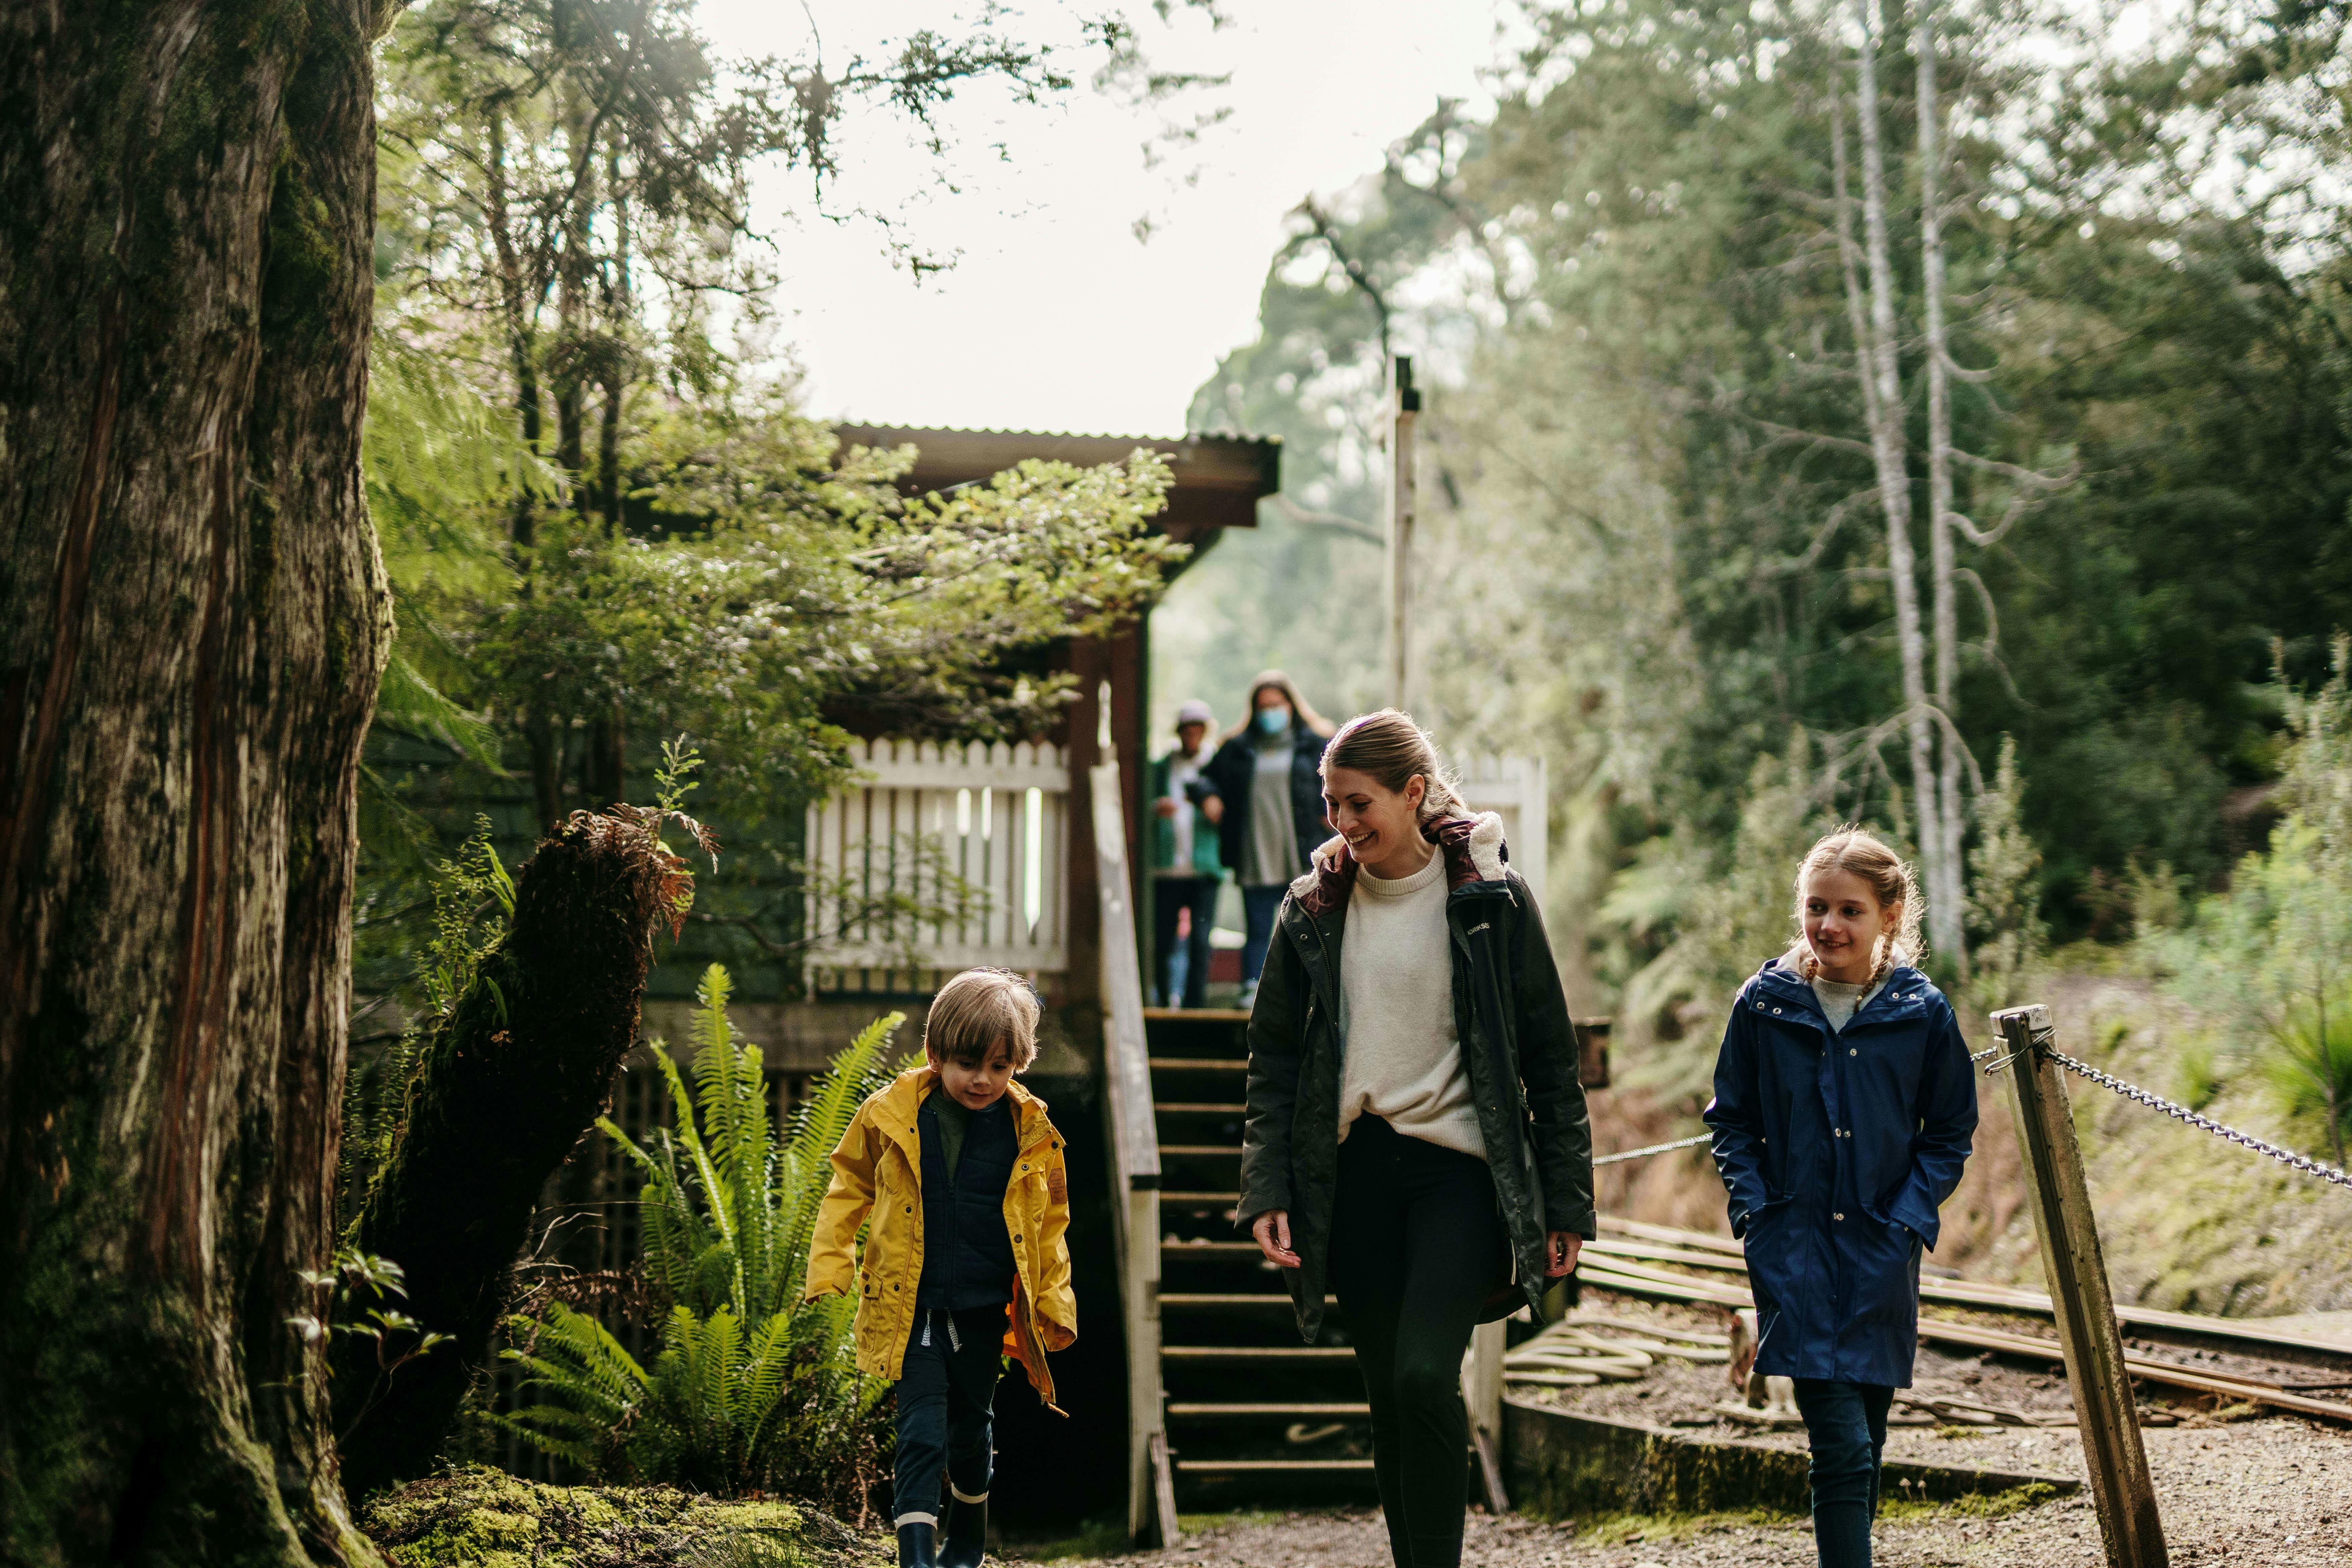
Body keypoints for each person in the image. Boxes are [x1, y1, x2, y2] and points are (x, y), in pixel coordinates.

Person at [1236, 709, 1594, 1568]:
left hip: (1459, 1174)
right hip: (1351, 1174)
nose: (1342, 822)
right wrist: (1268, 1188)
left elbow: (1550, 1053)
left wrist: (1566, 1198)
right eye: (1330, 806)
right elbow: (1274, 1061)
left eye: (1358, 803)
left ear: (1414, 791)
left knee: (1425, 1378)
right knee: (1388, 1402)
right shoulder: (1313, 906)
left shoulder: (1489, 901)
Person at [1703, 828, 1977, 1568]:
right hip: (1794, 1252)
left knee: (1869, 1438)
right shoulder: (1764, 1005)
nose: (1829, 926)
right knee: (1843, 1447)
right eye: (1816, 906)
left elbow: (1950, 1131)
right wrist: (1758, 1214)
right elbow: (1731, 1120)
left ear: (1889, 914)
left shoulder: (1921, 1012)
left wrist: (1910, 1217)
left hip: (1882, 1250)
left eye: (1850, 909)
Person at [804, 968, 1077, 1568]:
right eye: (966, 1063)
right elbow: (847, 1185)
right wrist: (830, 1265)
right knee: (921, 1430)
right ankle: (916, 1557)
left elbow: (1047, 1224)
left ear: (1019, 1065)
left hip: (983, 1306)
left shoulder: (1030, 1132)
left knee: (970, 1430)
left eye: (999, 1067)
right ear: (934, 1053)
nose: (981, 1080)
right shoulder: (890, 1113)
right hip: (913, 1303)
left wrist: (1055, 1298)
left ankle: (968, 1535)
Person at [1195, 671, 1335, 1006]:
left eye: (1276, 704)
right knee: (1258, 927)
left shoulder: (1315, 745)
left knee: (1305, 926)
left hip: (1299, 851)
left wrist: (1330, 808)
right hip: (1254, 852)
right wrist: (1209, 798)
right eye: (1263, 706)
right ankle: (1252, 988)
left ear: (1291, 705)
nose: (1270, 711)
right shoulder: (1238, 748)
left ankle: (1306, 990)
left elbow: (1339, 780)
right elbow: (1203, 780)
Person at [1150, 699, 1224, 1008]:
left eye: (1198, 728)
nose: (1192, 734)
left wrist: (1214, 810)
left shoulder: (1217, 767)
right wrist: (1156, 809)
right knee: (1164, 939)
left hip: (1205, 868)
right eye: (1187, 728)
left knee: (1201, 939)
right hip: (1167, 868)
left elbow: (1227, 814)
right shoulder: (1161, 768)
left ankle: (1196, 1003)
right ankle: (1164, 998)